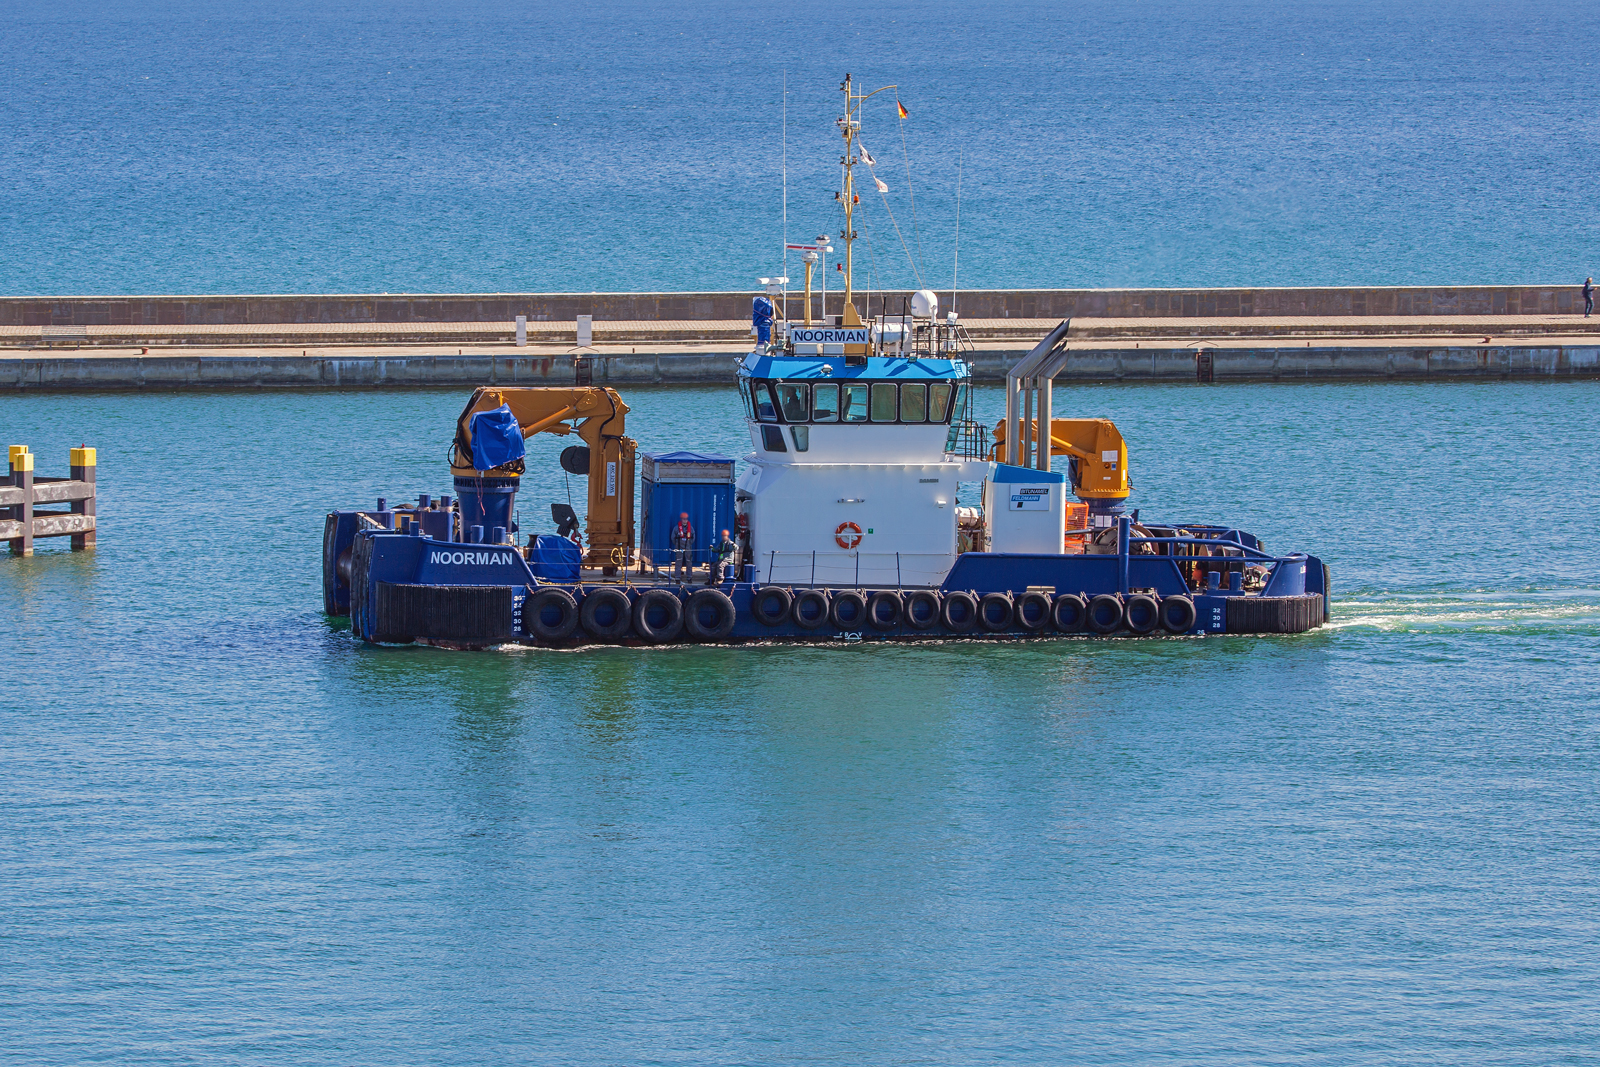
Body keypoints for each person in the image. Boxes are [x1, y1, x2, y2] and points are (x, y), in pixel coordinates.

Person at [671, 512, 695, 580]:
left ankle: (689, 577)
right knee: (678, 562)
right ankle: (677, 577)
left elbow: (693, 537)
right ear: (681, 519)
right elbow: (673, 537)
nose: (685, 520)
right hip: (679, 548)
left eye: (686, 519)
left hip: (688, 548)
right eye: (683, 519)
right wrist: (677, 544)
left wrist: (689, 544)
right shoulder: (676, 528)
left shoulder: (691, 528)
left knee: (689, 562)